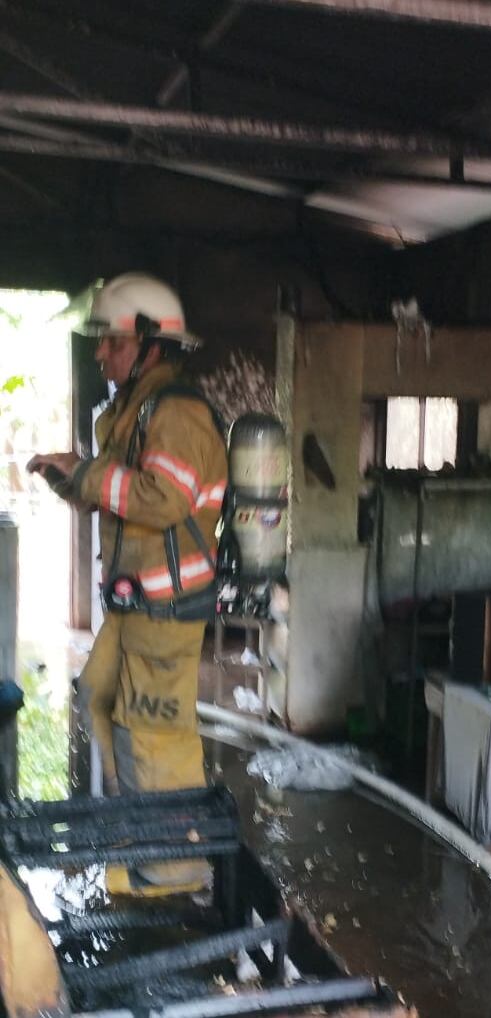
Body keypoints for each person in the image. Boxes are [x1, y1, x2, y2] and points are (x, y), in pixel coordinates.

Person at [28, 273, 227, 895]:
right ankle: (138, 830)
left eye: (112, 341)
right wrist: (69, 476)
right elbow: (118, 494)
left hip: (167, 607)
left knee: (153, 729)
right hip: (134, 604)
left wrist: (88, 472)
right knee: (98, 693)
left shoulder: (178, 413)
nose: (100, 353)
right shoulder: (134, 411)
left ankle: (174, 869)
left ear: (149, 343)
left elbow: (164, 498)